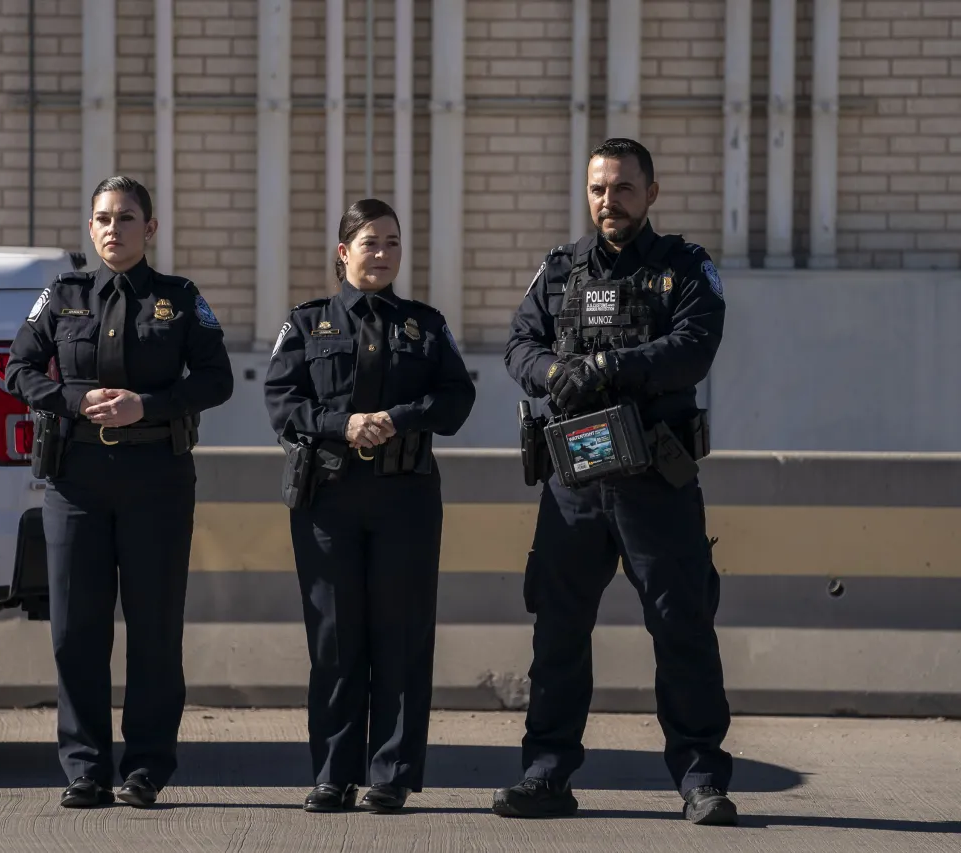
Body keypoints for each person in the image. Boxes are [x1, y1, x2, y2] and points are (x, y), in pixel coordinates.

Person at [493, 138, 737, 826]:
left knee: (681, 626)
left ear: (651, 192)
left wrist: (608, 367)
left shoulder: (684, 267)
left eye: (624, 188)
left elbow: (694, 345)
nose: (610, 201)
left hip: (654, 479)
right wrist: (550, 373)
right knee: (559, 631)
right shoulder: (560, 268)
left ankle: (700, 778)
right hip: (574, 482)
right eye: (599, 189)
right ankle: (546, 775)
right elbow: (519, 343)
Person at [5, 175, 234, 809]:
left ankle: (146, 769)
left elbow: (217, 379)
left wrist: (148, 406)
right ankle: (84, 768)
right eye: (103, 218)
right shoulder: (63, 295)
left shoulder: (179, 299)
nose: (114, 228)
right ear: (90, 228)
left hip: (156, 480)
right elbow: (17, 367)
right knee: (77, 631)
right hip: (75, 482)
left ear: (150, 229)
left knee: (154, 628)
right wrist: (76, 399)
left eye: (127, 218)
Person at [263, 198, 476, 814]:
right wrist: (342, 424)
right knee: (335, 640)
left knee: (402, 639)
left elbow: (456, 400)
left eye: (391, 243)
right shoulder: (308, 323)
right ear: (343, 252)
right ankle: (333, 774)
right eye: (369, 243)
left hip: (405, 497)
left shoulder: (426, 324)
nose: (381, 254)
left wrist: (395, 418)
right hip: (328, 499)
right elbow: (282, 402)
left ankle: (392, 775)